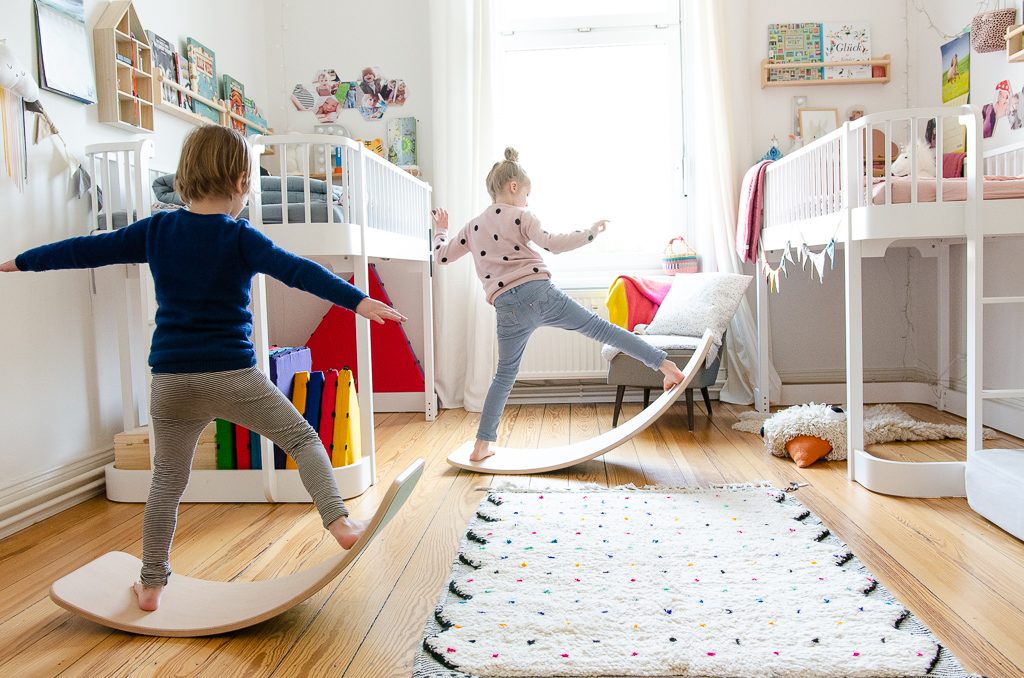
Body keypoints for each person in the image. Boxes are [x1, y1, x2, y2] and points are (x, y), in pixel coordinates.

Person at [0, 126, 406, 611]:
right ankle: (339, 522)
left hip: (171, 383)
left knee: (167, 483)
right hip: (233, 375)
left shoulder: (156, 230)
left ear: (186, 176)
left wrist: (23, 261)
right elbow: (299, 271)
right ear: (240, 182)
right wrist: (358, 300)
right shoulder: (240, 237)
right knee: (302, 439)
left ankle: (150, 584)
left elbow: (87, 249)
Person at [431, 147, 685, 463]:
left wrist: (441, 229)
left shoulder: (472, 227)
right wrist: (590, 233)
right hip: (540, 293)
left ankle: (481, 445)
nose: (527, 200)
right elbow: (554, 243)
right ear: (513, 187)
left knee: (505, 375)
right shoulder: (522, 215)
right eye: (526, 193)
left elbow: (442, 257)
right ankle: (666, 365)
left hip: (506, 307)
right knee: (602, 330)